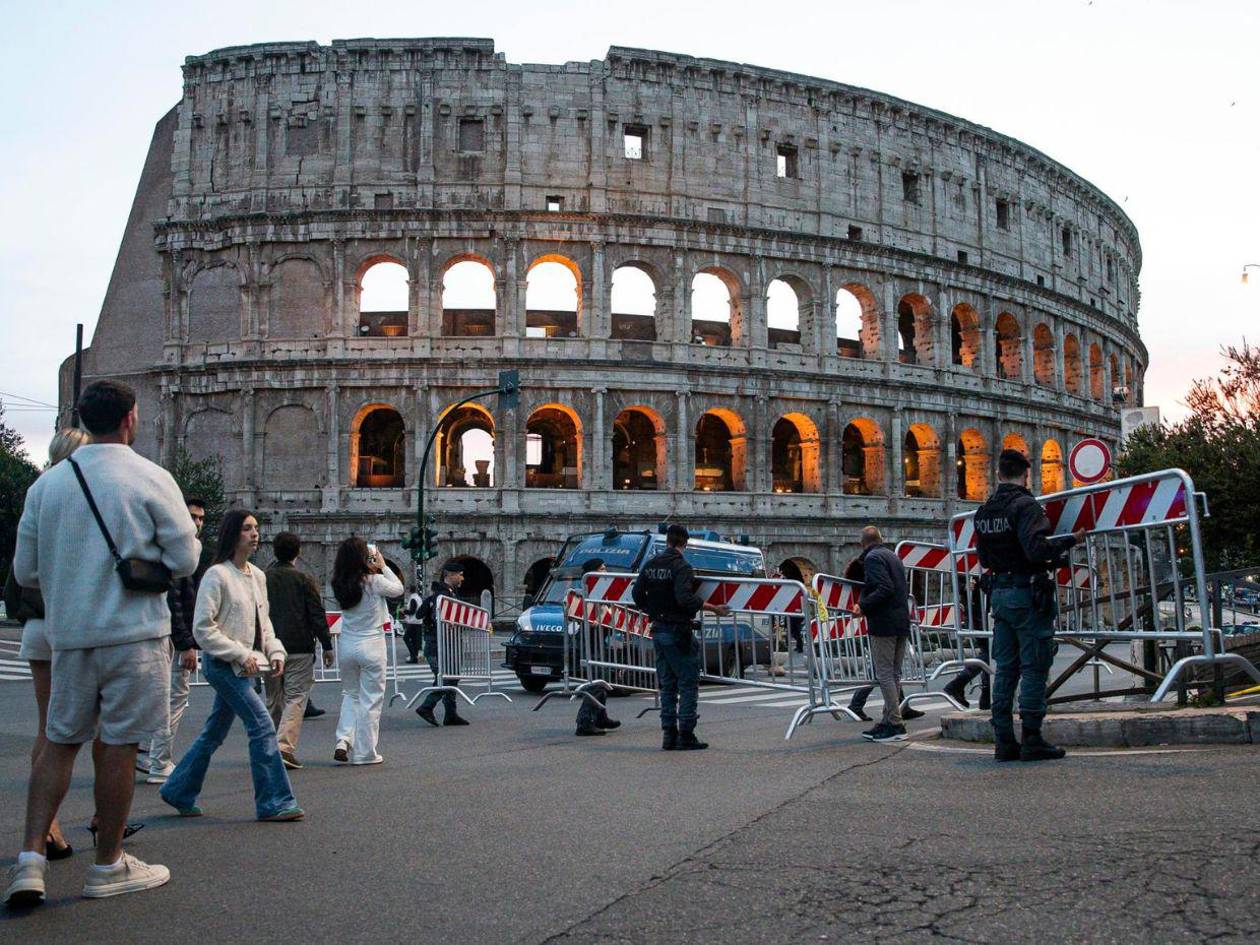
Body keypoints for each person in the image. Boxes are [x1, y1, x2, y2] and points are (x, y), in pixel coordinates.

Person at [6, 381, 200, 907]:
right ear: (130, 418)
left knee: (59, 742)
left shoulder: (47, 486)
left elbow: (25, 571)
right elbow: (185, 560)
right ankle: (108, 864)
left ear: (83, 420)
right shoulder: (151, 477)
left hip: (70, 636)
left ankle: (29, 861)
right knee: (119, 746)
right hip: (133, 635)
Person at [159, 509, 303, 821]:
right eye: (247, 528)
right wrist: (240, 653)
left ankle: (178, 790)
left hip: (246, 666)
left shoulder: (258, 576)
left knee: (214, 732)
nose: (255, 534)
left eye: (256, 528)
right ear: (232, 534)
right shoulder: (217, 575)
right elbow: (203, 628)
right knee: (262, 725)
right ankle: (274, 802)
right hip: (224, 665)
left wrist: (275, 652)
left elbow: (264, 623)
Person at [3, 429, 91, 865]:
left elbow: (22, 569)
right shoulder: (73, 494)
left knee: (49, 728)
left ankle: (48, 828)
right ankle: (51, 827)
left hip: (40, 626)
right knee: (73, 730)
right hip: (68, 625)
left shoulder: (38, 493)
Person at [974, 448, 1085, 763]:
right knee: (1034, 665)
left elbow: (983, 557)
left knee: (1005, 668)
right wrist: (1070, 540)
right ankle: (1032, 738)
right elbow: (1036, 549)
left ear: (998, 474)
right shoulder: (1026, 506)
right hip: (1026, 593)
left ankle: (1003, 740)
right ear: (1026, 475)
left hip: (999, 594)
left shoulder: (984, 511)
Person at [631, 524, 729, 751]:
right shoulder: (681, 566)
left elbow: (636, 594)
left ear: (667, 541)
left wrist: (652, 610)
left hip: (658, 628)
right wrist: (714, 608)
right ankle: (686, 733)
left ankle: (669, 735)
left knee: (667, 684)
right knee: (687, 683)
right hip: (678, 630)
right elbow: (684, 598)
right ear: (685, 543)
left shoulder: (651, 564)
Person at [144, 496, 207, 784]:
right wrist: (186, 643)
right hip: (171, 636)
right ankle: (160, 761)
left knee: (160, 697)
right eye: (192, 517)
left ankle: (147, 753)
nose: (197, 523)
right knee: (175, 698)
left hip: (162, 633)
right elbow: (175, 601)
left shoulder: (171, 545)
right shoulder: (180, 550)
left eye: (201, 518)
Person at [265, 532, 335, 769]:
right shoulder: (304, 579)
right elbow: (316, 614)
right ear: (298, 552)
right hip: (299, 646)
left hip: (269, 646)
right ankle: (284, 747)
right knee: (296, 697)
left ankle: (270, 747)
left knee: (274, 699)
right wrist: (327, 645)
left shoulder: (262, 578)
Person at [331, 539, 403, 763]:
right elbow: (398, 589)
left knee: (350, 694)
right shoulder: (374, 581)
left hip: (347, 643)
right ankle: (364, 752)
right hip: (372, 643)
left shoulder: (339, 583)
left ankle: (343, 739)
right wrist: (383, 565)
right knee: (371, 699)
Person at [843, 554, 924, 724]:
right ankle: (862, 705)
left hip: (883, 622)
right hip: (882, 622)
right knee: (885, 671)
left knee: (886, 670)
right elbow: (883, 590)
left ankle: (897, 706)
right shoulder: (875, 566)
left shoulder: (871, 565)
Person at [852, 526, 913, 743]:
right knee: (894, 673)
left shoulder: (872, 558)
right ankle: (888, 720)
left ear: (863, 543)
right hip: (901, 620)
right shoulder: (893, 556)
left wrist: (863, 605)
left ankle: (895, 724)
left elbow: (884, 588)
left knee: (884, 673)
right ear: (880, 539)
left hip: (884, 622)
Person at [414, 561, 470, 728]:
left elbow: (419, 614)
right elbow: (433, 617)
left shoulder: (438, 595)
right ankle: (427, 706)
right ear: (449, 575)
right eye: (460, 574)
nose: (462, 578)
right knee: (446, 678)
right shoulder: (443, 596)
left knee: (451, 677)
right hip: (440, 645)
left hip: (442, 644)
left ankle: (450, 714)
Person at [574, 558, 621, 737]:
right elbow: (589, 617)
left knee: (602, 678)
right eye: (602, 569)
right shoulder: (588, 590)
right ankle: (584, 722)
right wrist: (601, 619)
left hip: (598, 638)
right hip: (590, 638)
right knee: (596, 680)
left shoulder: (601, 589)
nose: (605, 572)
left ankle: (601, 716)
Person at [942, 578, 991, 710]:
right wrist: (966, 586)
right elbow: (957, 580)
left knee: (990, 654)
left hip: (983, 612)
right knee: (991, 654)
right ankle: (959, 684)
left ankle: (986, 698)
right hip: (981, 614)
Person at [401, 580, 424, 664]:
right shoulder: (418, 598)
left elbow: (412, 611)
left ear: (409, 590)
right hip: (418, 622)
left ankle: (413, 655)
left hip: (413, 622)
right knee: (414, 640)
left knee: (406, 638)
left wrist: (404, 611)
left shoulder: (413, 599)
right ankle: (415, 656)